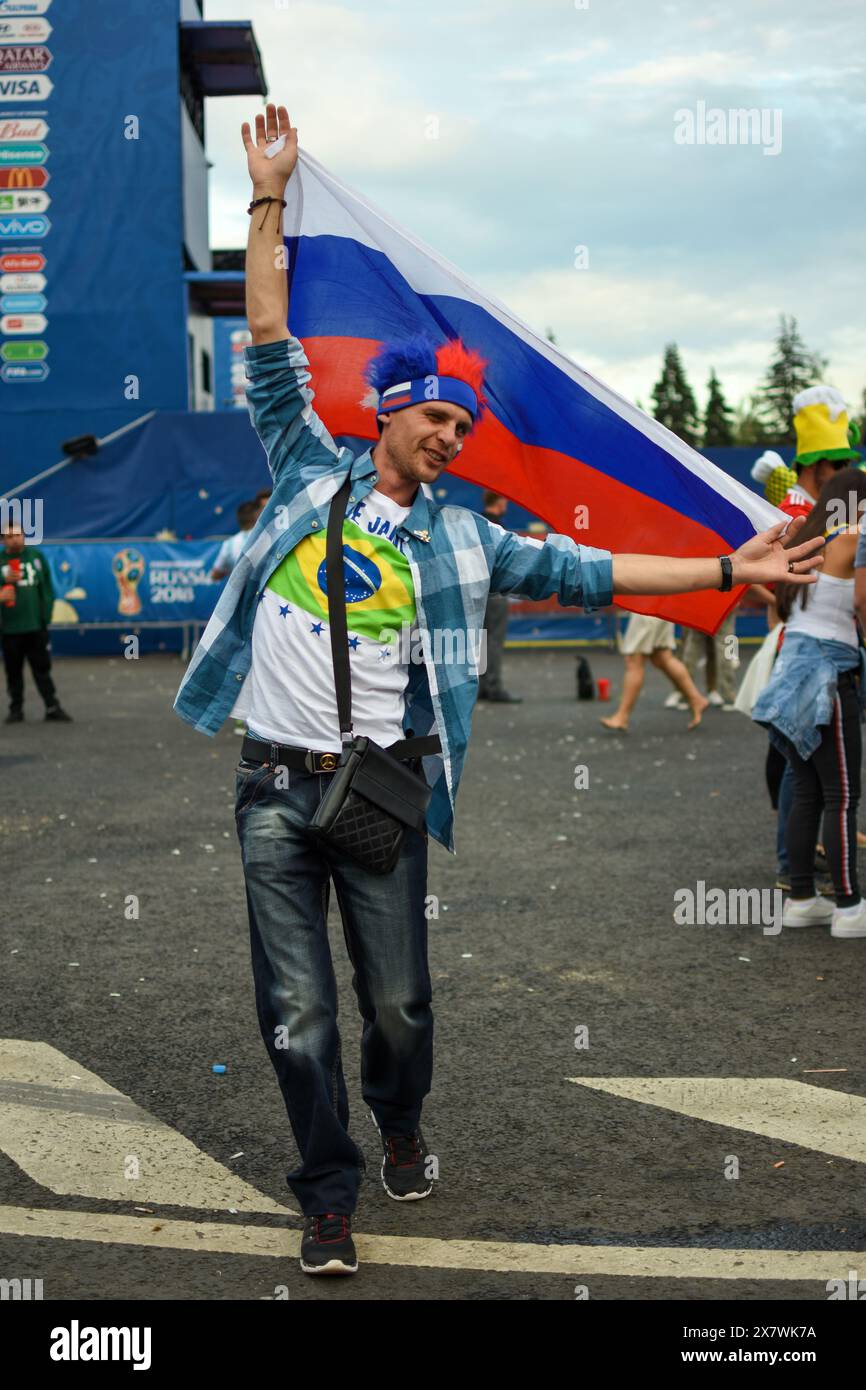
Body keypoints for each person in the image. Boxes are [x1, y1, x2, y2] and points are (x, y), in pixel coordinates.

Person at [173, 103, 824, 1278]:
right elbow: (266, 325)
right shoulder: (302, 465)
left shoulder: (468, 540)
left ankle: (402, 1121)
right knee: (298, 1014)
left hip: (384, 792)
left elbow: (595, 566)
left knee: (399, 1011)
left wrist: (728, 565)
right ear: (387, 411)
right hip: (271, 791)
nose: (451, 436)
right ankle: (326, 1193)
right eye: (435, 416)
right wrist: (266, 193)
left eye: (463, 427)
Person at [753, 467, 866, 937]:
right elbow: (863, 604)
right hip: (828, 678)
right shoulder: (857, 538)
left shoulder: (806, 545)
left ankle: (803, 899)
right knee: (842, 796)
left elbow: (778, 608)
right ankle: (848, 906)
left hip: (789, 678)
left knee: (807, 793)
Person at [0, 523, 71, 725]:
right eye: (9, 536)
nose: (14, 539)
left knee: (42, 669)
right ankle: (16, 709)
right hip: (9, 628)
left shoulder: (36, 557)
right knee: (13, 672)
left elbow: (47, 588)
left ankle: (52, 706)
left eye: (18, 535)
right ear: (3, 539)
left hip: (35, 627)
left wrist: (45, 617)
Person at [601, 613, 708, 731]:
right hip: (661, 605)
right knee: (662, 657)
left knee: (634, 661)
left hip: (646, 606)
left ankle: (622, 716)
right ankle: (696, 699)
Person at [477, 492, 521, 703]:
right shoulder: (499, 529)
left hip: (477, 591)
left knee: (482, 639)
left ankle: (482, 686)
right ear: (500, 501)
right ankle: (493, 686)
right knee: (494, 639)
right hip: (494, 591)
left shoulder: (477, 522)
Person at [210, 499, 259, 581]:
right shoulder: (265, 537)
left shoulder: (229, 544)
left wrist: (233, 571)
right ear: (257, 515)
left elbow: (215, 575)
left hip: (240, 591)